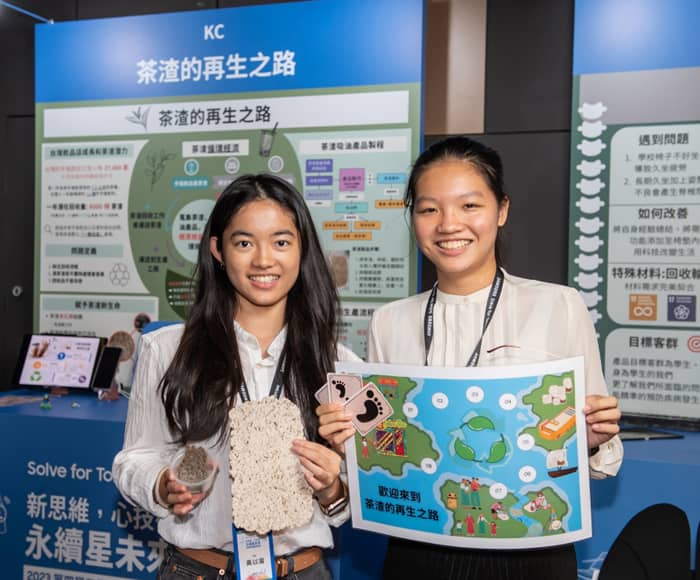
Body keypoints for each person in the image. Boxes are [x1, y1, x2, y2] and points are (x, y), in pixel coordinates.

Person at [317, 136, 623, 579]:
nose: (448, 224)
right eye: (428, 209)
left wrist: (591, 437)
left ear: (501, 210)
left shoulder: (559, 305)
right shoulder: (390, 322)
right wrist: (352, 445)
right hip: (417, 547)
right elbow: (386, 444)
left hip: (528, 546)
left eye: (469, 206)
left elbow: (599, 454)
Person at [113, 174, 359, 580]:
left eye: (281, 242)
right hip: (197, 569)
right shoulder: (168, 350)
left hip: (302, 569)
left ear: (302, 250)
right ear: (218, 251)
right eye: (244, 243)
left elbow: (352, 498)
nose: (264, 260)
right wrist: (161, 485)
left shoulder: (338, 365)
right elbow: (134, 458)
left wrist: (332, 487)